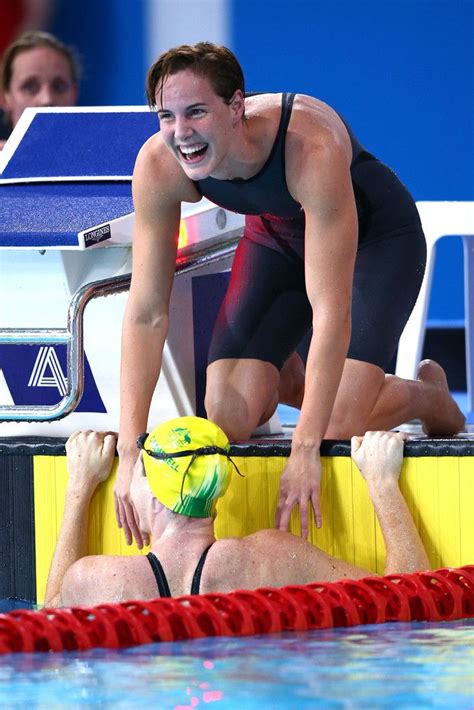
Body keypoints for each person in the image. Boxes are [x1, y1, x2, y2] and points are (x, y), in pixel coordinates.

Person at [115, 42, 465, 548]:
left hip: (375, 240)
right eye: (165, 116)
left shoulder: (309, 146)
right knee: (229, 417)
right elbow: (146, 313)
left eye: (196, 112)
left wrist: (304, 450)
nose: (180, 133)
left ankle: (429, 397)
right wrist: (130, 454)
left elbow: (330, 313)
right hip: (277, 237)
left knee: (336, 423)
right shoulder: (159, 164)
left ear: (236, 106)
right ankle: (289, 373)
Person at [45, 418, 430, 608]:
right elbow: (413, 601)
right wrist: (382, 483)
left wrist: (79, 487)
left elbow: (46, 625)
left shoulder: (96, 580)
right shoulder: (274, 560)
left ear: (154, 494)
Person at [0, 30, 79, 148]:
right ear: (4, 99)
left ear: (74, 95)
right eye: (30, 87)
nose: (46, 100)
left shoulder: (103, 164)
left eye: (59, 87)